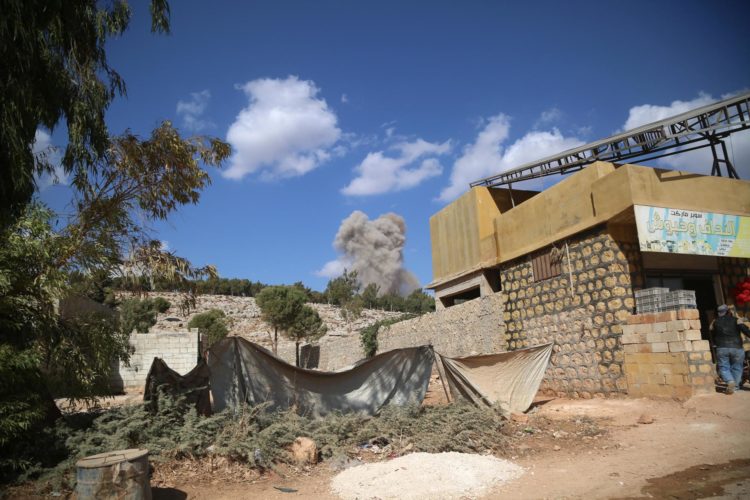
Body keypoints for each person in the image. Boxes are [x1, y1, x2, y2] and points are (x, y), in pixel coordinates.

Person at [711, 304, 750, 394]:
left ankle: (729, 381)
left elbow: (712, 333)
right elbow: (746, 330)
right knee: (737, 367)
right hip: (737, 348)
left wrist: (715, 343)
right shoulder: (737, 320)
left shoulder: (715, 322)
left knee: (724, 367)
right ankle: (735, 387)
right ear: (729, 312)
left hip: (722, 348)